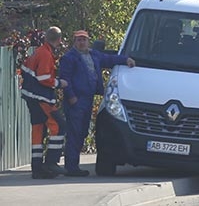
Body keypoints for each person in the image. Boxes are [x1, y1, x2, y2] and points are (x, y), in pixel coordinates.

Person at [58, 30, 135, 177]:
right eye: (79, 40)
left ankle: (73, 165)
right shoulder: (69, 58)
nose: (82, 42)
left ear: (88, 41)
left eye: (84, 40)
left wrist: (126, 60)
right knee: (75, 133)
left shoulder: (94, 55)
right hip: (76, 101)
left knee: (83, 132)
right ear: (74, 42)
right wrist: (71, 97)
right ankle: (71, 167)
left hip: (88, 99)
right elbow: (65, 79)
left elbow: (110, 59)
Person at [20, 26, 68, 179]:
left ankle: (38, 169)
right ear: (59, 40)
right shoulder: (45, 54)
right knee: (59, 125)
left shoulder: (39, 52)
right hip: (40, 98)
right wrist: (60, 83)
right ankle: (51, 162)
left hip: (32, 97)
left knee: (38, 132)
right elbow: (43, 78)